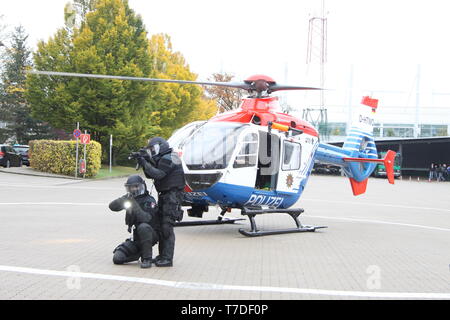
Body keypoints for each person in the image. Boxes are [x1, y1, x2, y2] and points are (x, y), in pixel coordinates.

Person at [136, 137, 185, 267]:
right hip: (166, 196)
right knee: (161, 226)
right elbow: (150, 174)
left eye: (153, 149)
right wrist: (145, 161)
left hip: (172, 196)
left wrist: (145, 162)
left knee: (167, 226)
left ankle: (167, 259)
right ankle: (162, 255)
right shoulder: (163, 158)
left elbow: (158, 174)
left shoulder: (170, 157)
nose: (152, 151)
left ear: (161, 146)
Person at [109, 175, 160, 268]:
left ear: (142, 186)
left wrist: (134, 204)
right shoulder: (130, 199)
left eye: (136, 186)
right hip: (137, 238)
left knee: (143, 227)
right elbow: (112, 206)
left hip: (151, 234)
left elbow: (146, 219)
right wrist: (124, 199)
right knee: (118, 258)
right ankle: (138, 254)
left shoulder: (149, 201)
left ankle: (147, 259)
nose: (134, 189)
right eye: (131, 187)